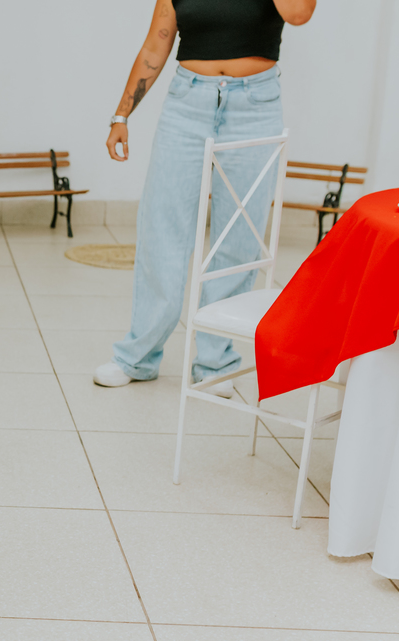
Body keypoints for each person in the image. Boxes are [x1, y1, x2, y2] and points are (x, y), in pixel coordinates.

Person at [94, 0, 315, 393]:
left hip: (255, 104)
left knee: (239, 236)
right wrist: (121, 115)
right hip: (186, 102)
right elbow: (156, 44)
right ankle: (138, 356)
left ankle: (214, 363)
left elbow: (298, 13)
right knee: (162, 226)